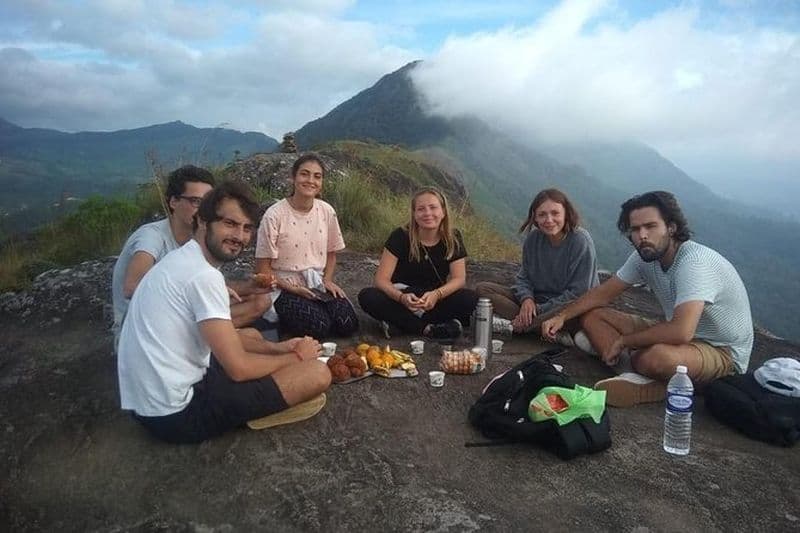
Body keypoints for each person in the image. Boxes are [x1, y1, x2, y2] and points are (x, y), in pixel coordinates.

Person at [118, 181, 331, 444]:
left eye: (247, 228)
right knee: (317, 373)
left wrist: (280, 349)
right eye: (230, 223)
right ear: (203, 221)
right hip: (177, 413)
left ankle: (269, 378)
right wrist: (297, 357)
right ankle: (256, 409)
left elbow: (222, 337)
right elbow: (239, 369)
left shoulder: (182, 259)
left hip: (148, 402)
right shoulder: (202, 276)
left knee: (253, 335)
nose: (239, 236)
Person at [542, 191, 753, 407]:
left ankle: (649, 378)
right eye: (635, 229)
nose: (642, 235)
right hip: (675, 335)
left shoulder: (694, 263)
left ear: (671, 227)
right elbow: (602, 294)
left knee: (659, 358)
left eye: (650, 226)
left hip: (721, 352)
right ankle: (636, 373)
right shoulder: (644, 257)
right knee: (593, 317)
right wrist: (562, 316)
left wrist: (623, 341)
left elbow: (681, 331)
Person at [111, 165, 269, 347]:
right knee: (251, 338)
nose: (203, 208)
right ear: (173, 202)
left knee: (259, 301)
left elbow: (200, 288)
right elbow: (132, 287)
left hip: (180, 316)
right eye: (195, 201)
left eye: (208, 202)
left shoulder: (204, 240)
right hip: (145, 330)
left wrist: (248, 287)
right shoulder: (152, 237)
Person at [254, 153, 358, 339]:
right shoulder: (274, 215)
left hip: (315, 282)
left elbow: (331, 253)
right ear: (293, 178)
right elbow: (263, 269)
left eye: (317, 176)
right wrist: (293, 289)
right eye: (304, 174)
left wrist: (327, 280)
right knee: (319, 326)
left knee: (348, 323)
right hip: (283, 286)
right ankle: (279, 319)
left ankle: (311, 313)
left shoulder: (326, 211)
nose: (310, 181)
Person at [476, 188, 598, 340]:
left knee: (576, 312)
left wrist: (538, 310)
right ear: (535, 218)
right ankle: (543, 329)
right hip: (536, 300)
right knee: (483, 289)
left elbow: (579, 292)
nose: (549, 220)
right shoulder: (533, 239)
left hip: (566, 307)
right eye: (542, 215)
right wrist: (527, 300)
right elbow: (524, 277)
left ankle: (521, 325)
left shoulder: (580, 241)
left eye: (555, 213)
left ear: (566, 214)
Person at [358, 187, 479, 340]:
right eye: (421, 209)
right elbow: (381, 280)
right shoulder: (400, 236)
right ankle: (428, 329)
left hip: (433, 299)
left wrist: (436, 294)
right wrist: (401, 298)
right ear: (414, 214)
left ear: (443, 212)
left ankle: (403, 324)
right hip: (402, 296)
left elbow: (459, 279)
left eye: (433, 207)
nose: (428, 213)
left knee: (470, 299)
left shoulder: (453, 238)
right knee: (368, 296)